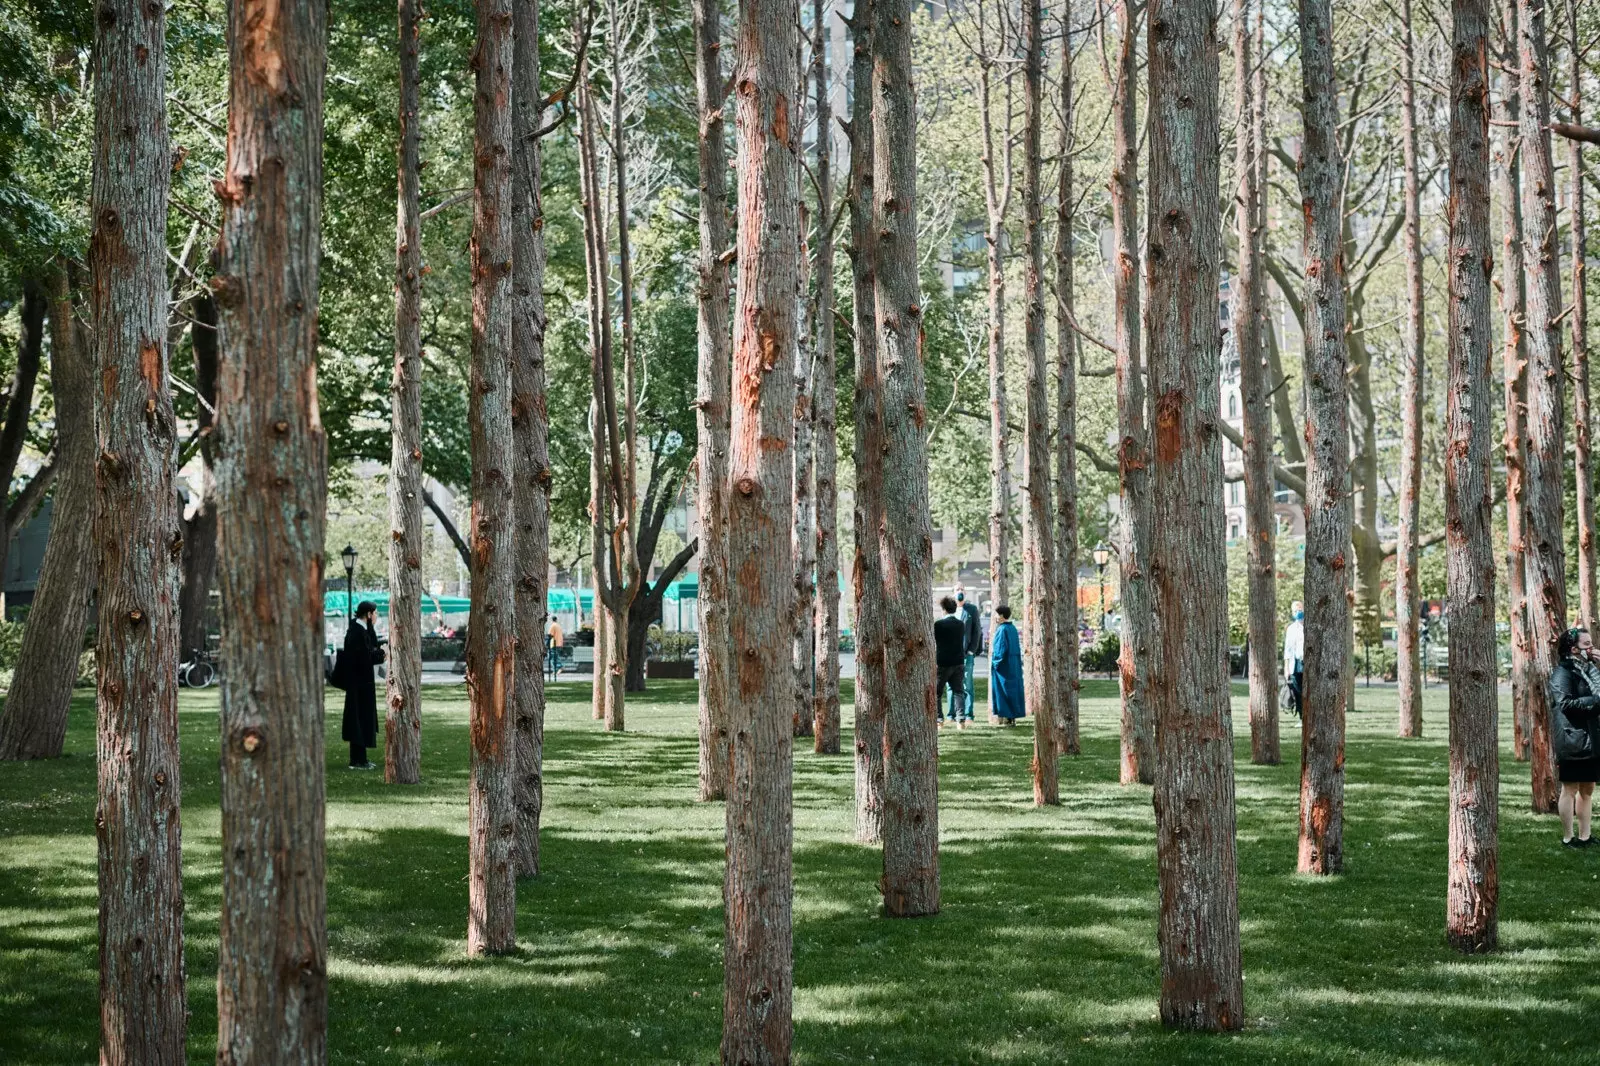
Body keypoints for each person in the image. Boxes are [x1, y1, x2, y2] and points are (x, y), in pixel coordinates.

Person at [1549, 627, 1600, 847]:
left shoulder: (1590, 669)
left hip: (1591, 738)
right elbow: (1566, 704)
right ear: (1573, 649)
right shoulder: (1563, 673)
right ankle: (1568, 838)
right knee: (1570, 788)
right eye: (1586, 644)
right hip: (1572, 738)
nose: (1592, 648)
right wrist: (1596, 702)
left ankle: (1585, 836)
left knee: (1588, 788)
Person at [342, 601, 386, 770]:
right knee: (358, 720)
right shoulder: (356, 632)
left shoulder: (361, 629)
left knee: (362, 720)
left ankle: (361, 759)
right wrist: (382, 655)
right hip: (358, 684)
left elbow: (372, 645)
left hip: (362, 683)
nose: (376, 617)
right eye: (374, 613)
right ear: (368, 614)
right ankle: (357, 760)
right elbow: (364, 658)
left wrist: (372, 627)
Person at [934, 596, 968, 728]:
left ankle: (939, 720)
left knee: (937, 693)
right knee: (958, 691)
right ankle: (961, 720)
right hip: (958, 661)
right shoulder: (960, 624)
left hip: (943, 662)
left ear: (943, 609)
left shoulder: (939, 625)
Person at [989, 604, 1025, 726]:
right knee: (1013, 690)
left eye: (996, 614)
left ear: (1002, 616)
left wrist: (995, 663)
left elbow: (1000, 650)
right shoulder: (1013, 628)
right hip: (1013, 665)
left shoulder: (1002, 629)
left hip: (1003, 666)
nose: (994, 617)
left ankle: (1006, 717)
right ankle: (1012, 717)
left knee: (1003, 691)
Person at [955, 586, 982, 724]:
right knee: (951, 686)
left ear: (964, 593)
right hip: (952, 654)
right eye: (957, 589)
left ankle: (968, 715)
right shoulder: (950, 609)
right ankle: (952, 715)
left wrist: (972, 650)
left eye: (961, 590)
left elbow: (977, 631)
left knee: (967, 684)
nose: (959, 592)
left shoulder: (971, 609)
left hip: (967, 654)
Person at [1283, 600, 1305, 717]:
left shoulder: (1308, 626)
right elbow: (1288, 650)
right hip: (1295, 663)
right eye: (1295, 611)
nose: (1298, 612)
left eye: (1300, 609)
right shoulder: (1291, 629)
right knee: (1297, 691)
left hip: (1306, 662)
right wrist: (1286, 669)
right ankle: (1302, 716)